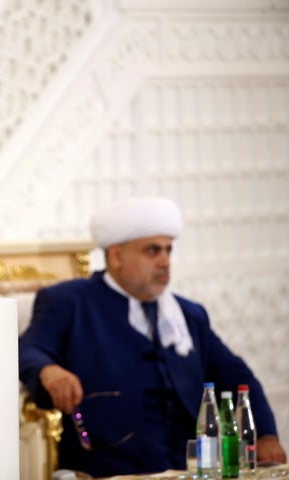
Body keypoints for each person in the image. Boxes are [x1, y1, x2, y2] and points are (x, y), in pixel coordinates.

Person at [18, 197, 286, 477]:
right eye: (152, 251)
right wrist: (49, 371)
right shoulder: (69, 301)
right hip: (108, 469)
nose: (165, 261)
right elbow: (28, 349)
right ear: (116, 256)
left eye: (168, 250)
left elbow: (236, 375)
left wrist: (265, 435)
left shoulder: (188, 314)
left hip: (189, 469)